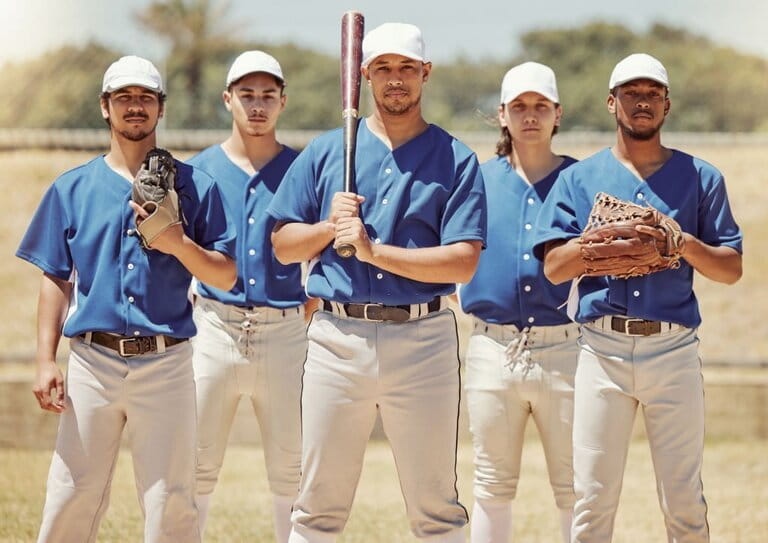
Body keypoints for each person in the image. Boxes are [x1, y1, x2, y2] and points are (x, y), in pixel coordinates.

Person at [268, 22, 487, 543]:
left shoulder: (455, 158)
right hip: (337, 337)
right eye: (383, 68)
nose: (395, 79)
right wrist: (329, 227)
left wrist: (374, 251)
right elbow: (283, 245)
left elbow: (462, 263)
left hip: (423, 338)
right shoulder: (326, 151)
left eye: (407, 68)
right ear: (364, 74)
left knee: (436, 507)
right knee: (317, 504)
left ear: (425, 73)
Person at [17, 55, 237, 543]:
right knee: (72, 493)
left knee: (171, 500)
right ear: (105, 106)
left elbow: (225, 273)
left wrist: (178, 242)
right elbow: (56, 279)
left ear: (161, 108)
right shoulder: (72, 188)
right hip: (92, 362)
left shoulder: (196, 186)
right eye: (124, 97)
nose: (135, 106)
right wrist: (44, 360)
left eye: (145, 98)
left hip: (167, 362)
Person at [533, 53, 743, 542]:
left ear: (667, 104)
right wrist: (594, 246)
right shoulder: (579, 179)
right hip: (601, 350)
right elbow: (553, 268)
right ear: (612, 102)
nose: (642, 101)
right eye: (631, 93)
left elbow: (731, 268)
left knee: (684, 500)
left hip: (672, 349)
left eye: (653, 93)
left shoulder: (700, 177)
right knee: (591, 500)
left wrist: (680, 241)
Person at [186, 50, 312, 542]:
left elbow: (323, 250)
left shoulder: (302, 168)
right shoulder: (198, 170)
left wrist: (305, 310)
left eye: (267, 95)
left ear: (283, 102)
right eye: (246, 95)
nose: (257, 106)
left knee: (292, 467)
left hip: (285, 330)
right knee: (195, 463)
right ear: (227, 99)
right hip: (214, 325)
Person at [458, 62, 578, 543]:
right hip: (492, 345)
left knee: (575, 485)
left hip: (567, 346)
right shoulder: (476, 179)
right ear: (502, 114)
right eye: (520, 106)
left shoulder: (579, 179)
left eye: (541, 106)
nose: (531, 116)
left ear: (557, 114)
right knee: (491, 483)